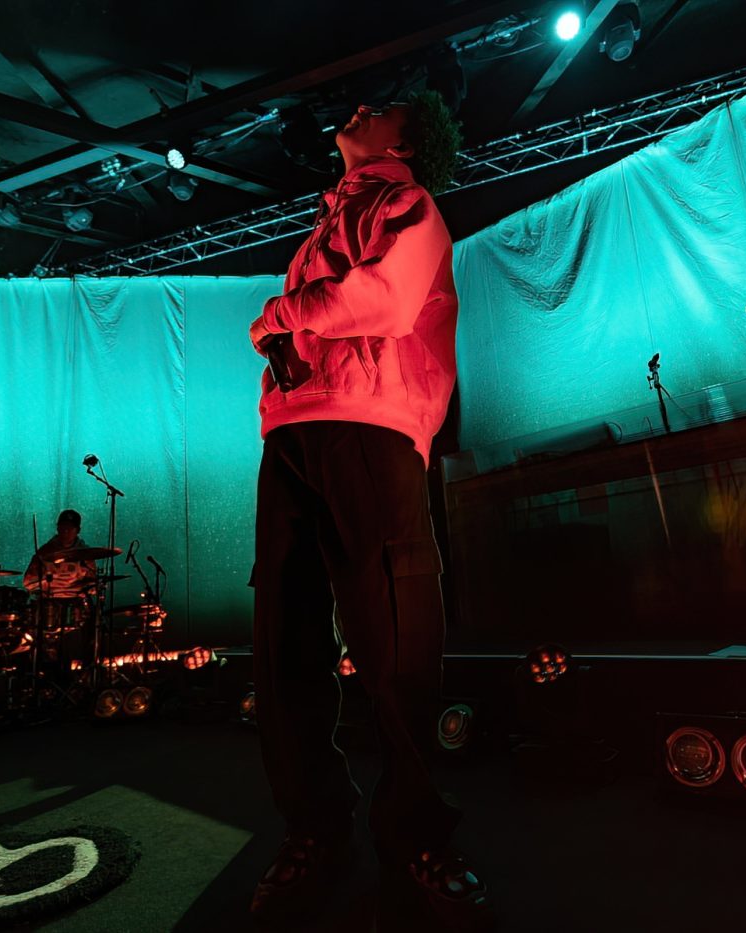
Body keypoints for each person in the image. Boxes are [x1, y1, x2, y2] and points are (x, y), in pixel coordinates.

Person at [247, 91, 491, 930]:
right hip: (292, 440)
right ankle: (316, 828)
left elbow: (384, 304)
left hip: (373, 433)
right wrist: (287, 339)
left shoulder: (407, 204)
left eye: (381, 106)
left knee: (395, 647)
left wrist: (281, 316)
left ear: (411, 137)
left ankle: (419, 837)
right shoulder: (323, 226)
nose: (357, 107)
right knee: (286, 648)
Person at [22, 509, 96, 599]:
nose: (65, 531)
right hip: (50, 601)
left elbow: (93, 586)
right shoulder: (44, 553)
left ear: (78, 530)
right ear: (57, 528)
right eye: (63, 526)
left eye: (70, 527)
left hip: (76, 601)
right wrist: (47, 578)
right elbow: (28, 583)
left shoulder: (86, 554)